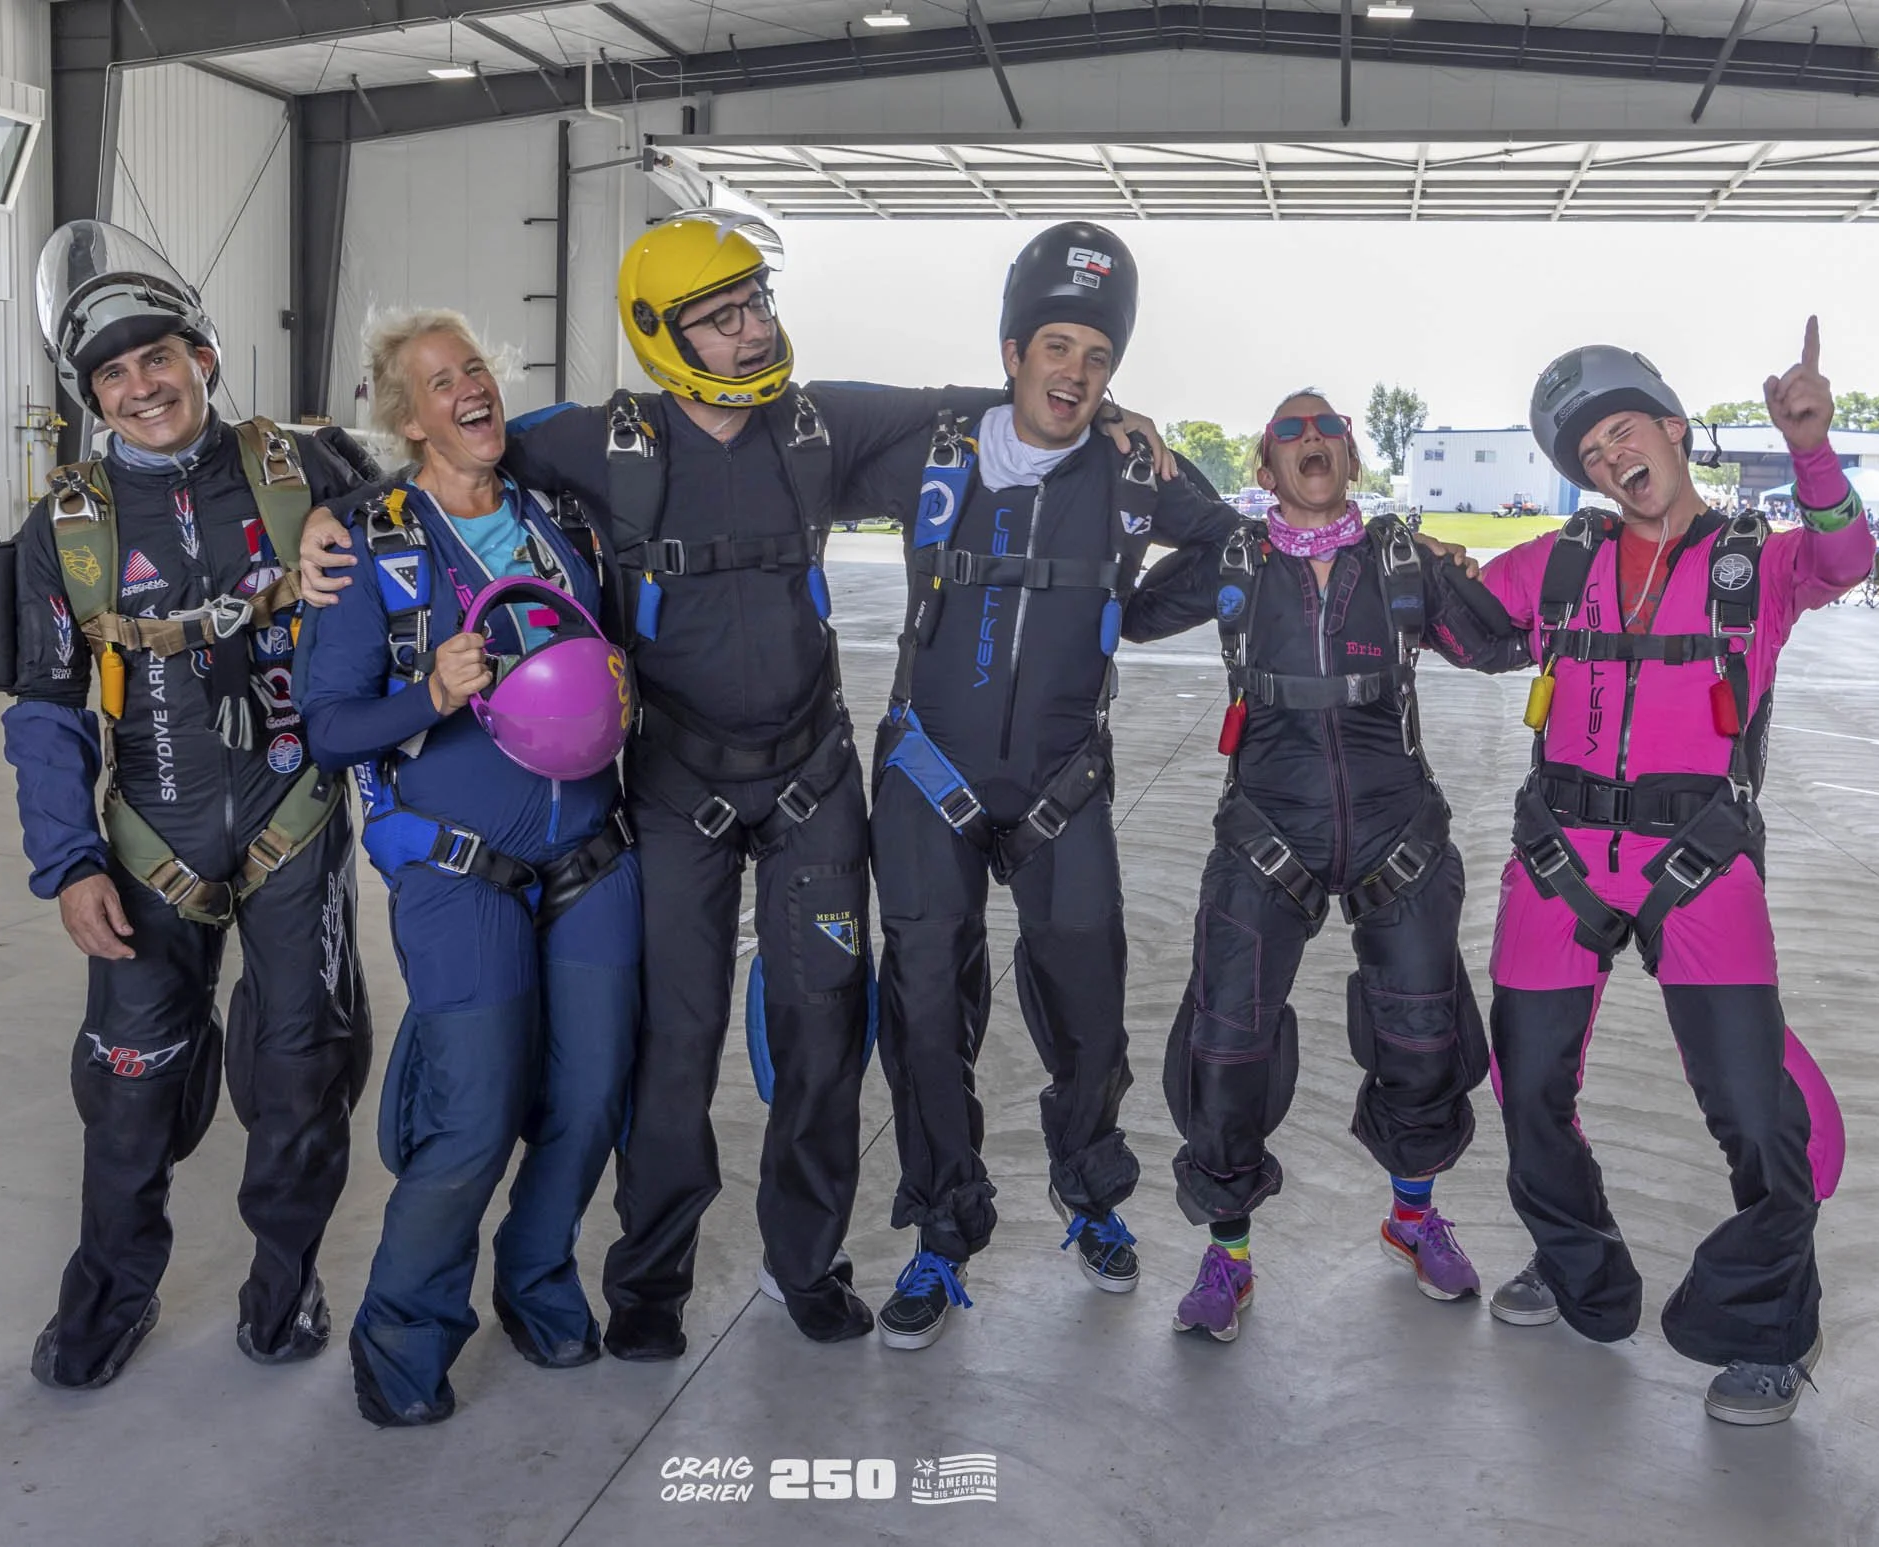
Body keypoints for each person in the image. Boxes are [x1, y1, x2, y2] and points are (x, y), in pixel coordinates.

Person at [298, 213, 1170, 1360]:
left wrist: (1098, 407)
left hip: (811, 780)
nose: (757, 324)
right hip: (674, 786)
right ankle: (649, 1276)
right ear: (665, 334)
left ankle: (806, 1262)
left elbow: (969, 407)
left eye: (758, 300)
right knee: (675, 1042)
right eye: (728, 314)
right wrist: (325, 508)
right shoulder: (597, 443)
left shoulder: (817, 425)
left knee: (821, 1036)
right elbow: (444, 455)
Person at [0, 221, 376, 1391]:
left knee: (302, 1073)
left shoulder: (314, 468)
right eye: (111, 372)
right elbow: (46, 709)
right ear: (90, 397)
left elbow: (419, 598)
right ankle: (111, 1293)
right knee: (127, 1089)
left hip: (295, 818)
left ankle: (283, 1282)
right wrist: (68, 862)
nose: (140, 385)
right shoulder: (64, 529)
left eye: (155, 356)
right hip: (149, 838)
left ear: (201, 355)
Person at [1473, 322, 1868, 1425]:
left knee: (1754, 1110)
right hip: (1556, 858)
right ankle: (1573, 1263)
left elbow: (1846, 558)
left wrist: (1810, 446)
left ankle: (1766, 1322)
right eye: (1588, 454)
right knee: (1527, 1087)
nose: (1609, 459)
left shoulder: (1759, 560)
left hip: (1701, 862)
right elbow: (1442, 620)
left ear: (1674, 428)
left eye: (1622, 431)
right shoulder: (1556, 562)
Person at [862, 222, 1237, 1350]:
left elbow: (1232, 549)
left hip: (1064, 786)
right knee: (925, 1012)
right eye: (1057, 348)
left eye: (1099, 359)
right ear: (1015, 349)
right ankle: (941, 1227)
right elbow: (782, 449)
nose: (1076, 375)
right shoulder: (930, 448)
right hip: (926, 773)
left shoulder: (1133, 466)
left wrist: (1121, 616)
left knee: (1090, 1012)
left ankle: (1090, 1196)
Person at [1118, 390, 1533, 1342]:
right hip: (1268, 826)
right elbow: (1128, 615)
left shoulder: (1398, 562)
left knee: (1424, 1035)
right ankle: (1227, 1254)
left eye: (1329, 430)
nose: (1313, 440)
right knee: (1226, 1040)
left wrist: (1485, 566)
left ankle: (1414, 1216)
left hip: (1399, 830)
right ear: (1265, 467)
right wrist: (1128, 483)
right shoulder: (1232, 561)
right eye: (1292, 432)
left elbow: (1502, 642)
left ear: (1351, 457)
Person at [293, 309, 638, 1427]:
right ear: (405, 419)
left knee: (587, 1099)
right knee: (475, 1116)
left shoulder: (558, 523)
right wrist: (428, 696)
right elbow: (329, 726)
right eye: (439, 383)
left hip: (590, 851)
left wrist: (624, 685)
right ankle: (402, 1336)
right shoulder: (361, 538)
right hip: (459, 868)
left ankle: (536, 1284)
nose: (467, 391)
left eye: (475, 370)